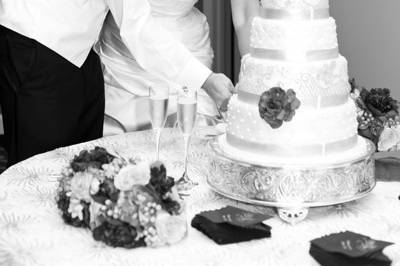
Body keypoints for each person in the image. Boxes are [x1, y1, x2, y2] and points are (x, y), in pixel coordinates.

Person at [0, 0, 233, 165]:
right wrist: (205, 80)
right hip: (38, 42)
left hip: (80, 50)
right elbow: (138, 28)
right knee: (40, 165)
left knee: (80, 164)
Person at [97, 0, 234, 135]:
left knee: (193, 140)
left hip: (190, 46)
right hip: (126, 60)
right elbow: (135, 23)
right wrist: (203, 79)